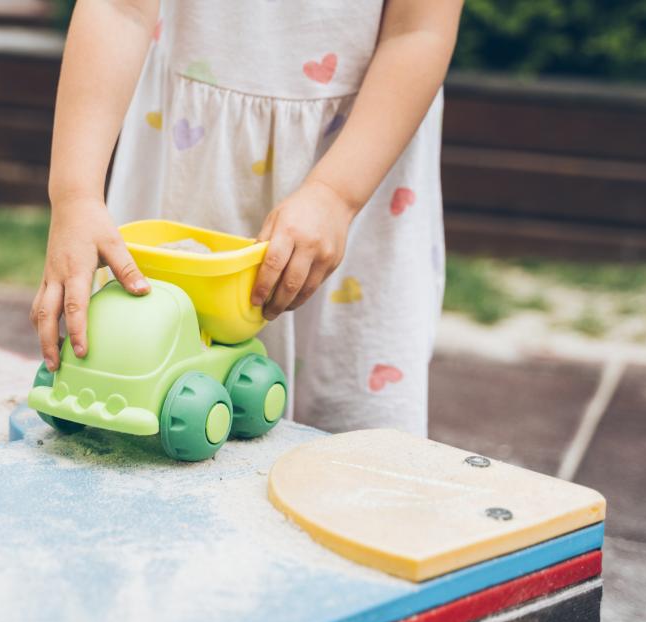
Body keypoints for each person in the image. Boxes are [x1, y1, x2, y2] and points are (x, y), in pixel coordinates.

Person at [33, 0, 463, 435]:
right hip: (190, 155)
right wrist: (76, 196)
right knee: (139, 395)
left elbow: (417, 32)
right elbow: (118, 7)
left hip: (356, 162)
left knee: (356, 448)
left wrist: (335, 194)